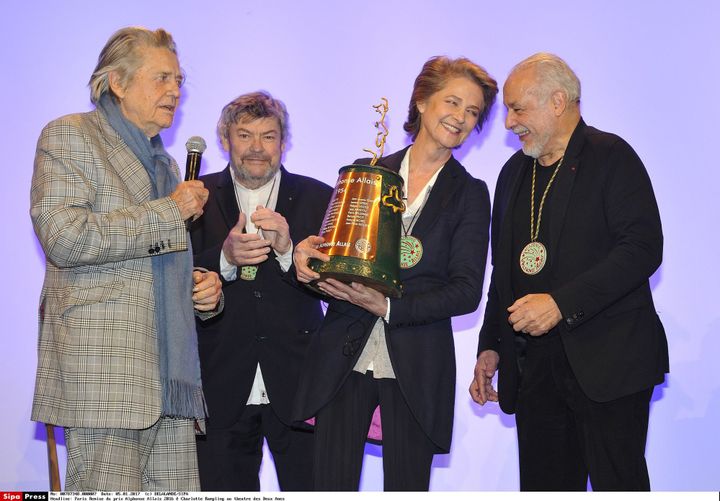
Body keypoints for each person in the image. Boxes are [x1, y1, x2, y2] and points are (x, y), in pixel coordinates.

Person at [29, 27, 223, 491]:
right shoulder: (70, 136)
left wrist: (199, 287)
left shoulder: (165, 164)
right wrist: (170, 212)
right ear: (117, 82)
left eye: (178, 81)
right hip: (105, 377)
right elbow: (65, 238)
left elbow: (150, 262)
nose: (175, 91)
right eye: (162, 79)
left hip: (168, 385)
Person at [293, 56, 497, 491]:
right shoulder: (367, 172)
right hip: (343, 356)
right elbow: (334, 258)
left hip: (416, 364)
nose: (461, 118)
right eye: (453, 102)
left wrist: (388, 306)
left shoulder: (471, 194)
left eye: (473, 112)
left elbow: (465, 293)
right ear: (421, 101)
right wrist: (307, 261)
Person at [469, 53, 668, 491]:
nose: (507, 122)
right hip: (534, 367)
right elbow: (503, 271)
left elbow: (642, 248)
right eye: (507, 109)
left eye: (518, 108)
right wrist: (491, 345)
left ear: (558, 101)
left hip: (609, 365)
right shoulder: (511, 174)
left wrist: (561, 303)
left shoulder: (611, 155)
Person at [190, 91, 332, 491]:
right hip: (218, 386)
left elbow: (341, 292)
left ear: (283, 142)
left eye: (268, 136)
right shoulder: (194, 196)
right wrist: (224, 260)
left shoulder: (322, 198)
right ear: (225, 140)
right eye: (244, 135)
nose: (256, 148)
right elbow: (169, 274)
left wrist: (288, 252)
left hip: (302, 387)